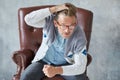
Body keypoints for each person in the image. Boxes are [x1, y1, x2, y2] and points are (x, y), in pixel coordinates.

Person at [20, 3, 88, 80]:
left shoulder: (79, 36)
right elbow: (28, 19)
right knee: (26, 77)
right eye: (63, 25)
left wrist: (57, 70)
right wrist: (54, 9)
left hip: (66, 64)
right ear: (55, 23)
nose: (67, 30)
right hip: (43, 62)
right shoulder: (49, 22)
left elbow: (80, 67)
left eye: (71, 25)